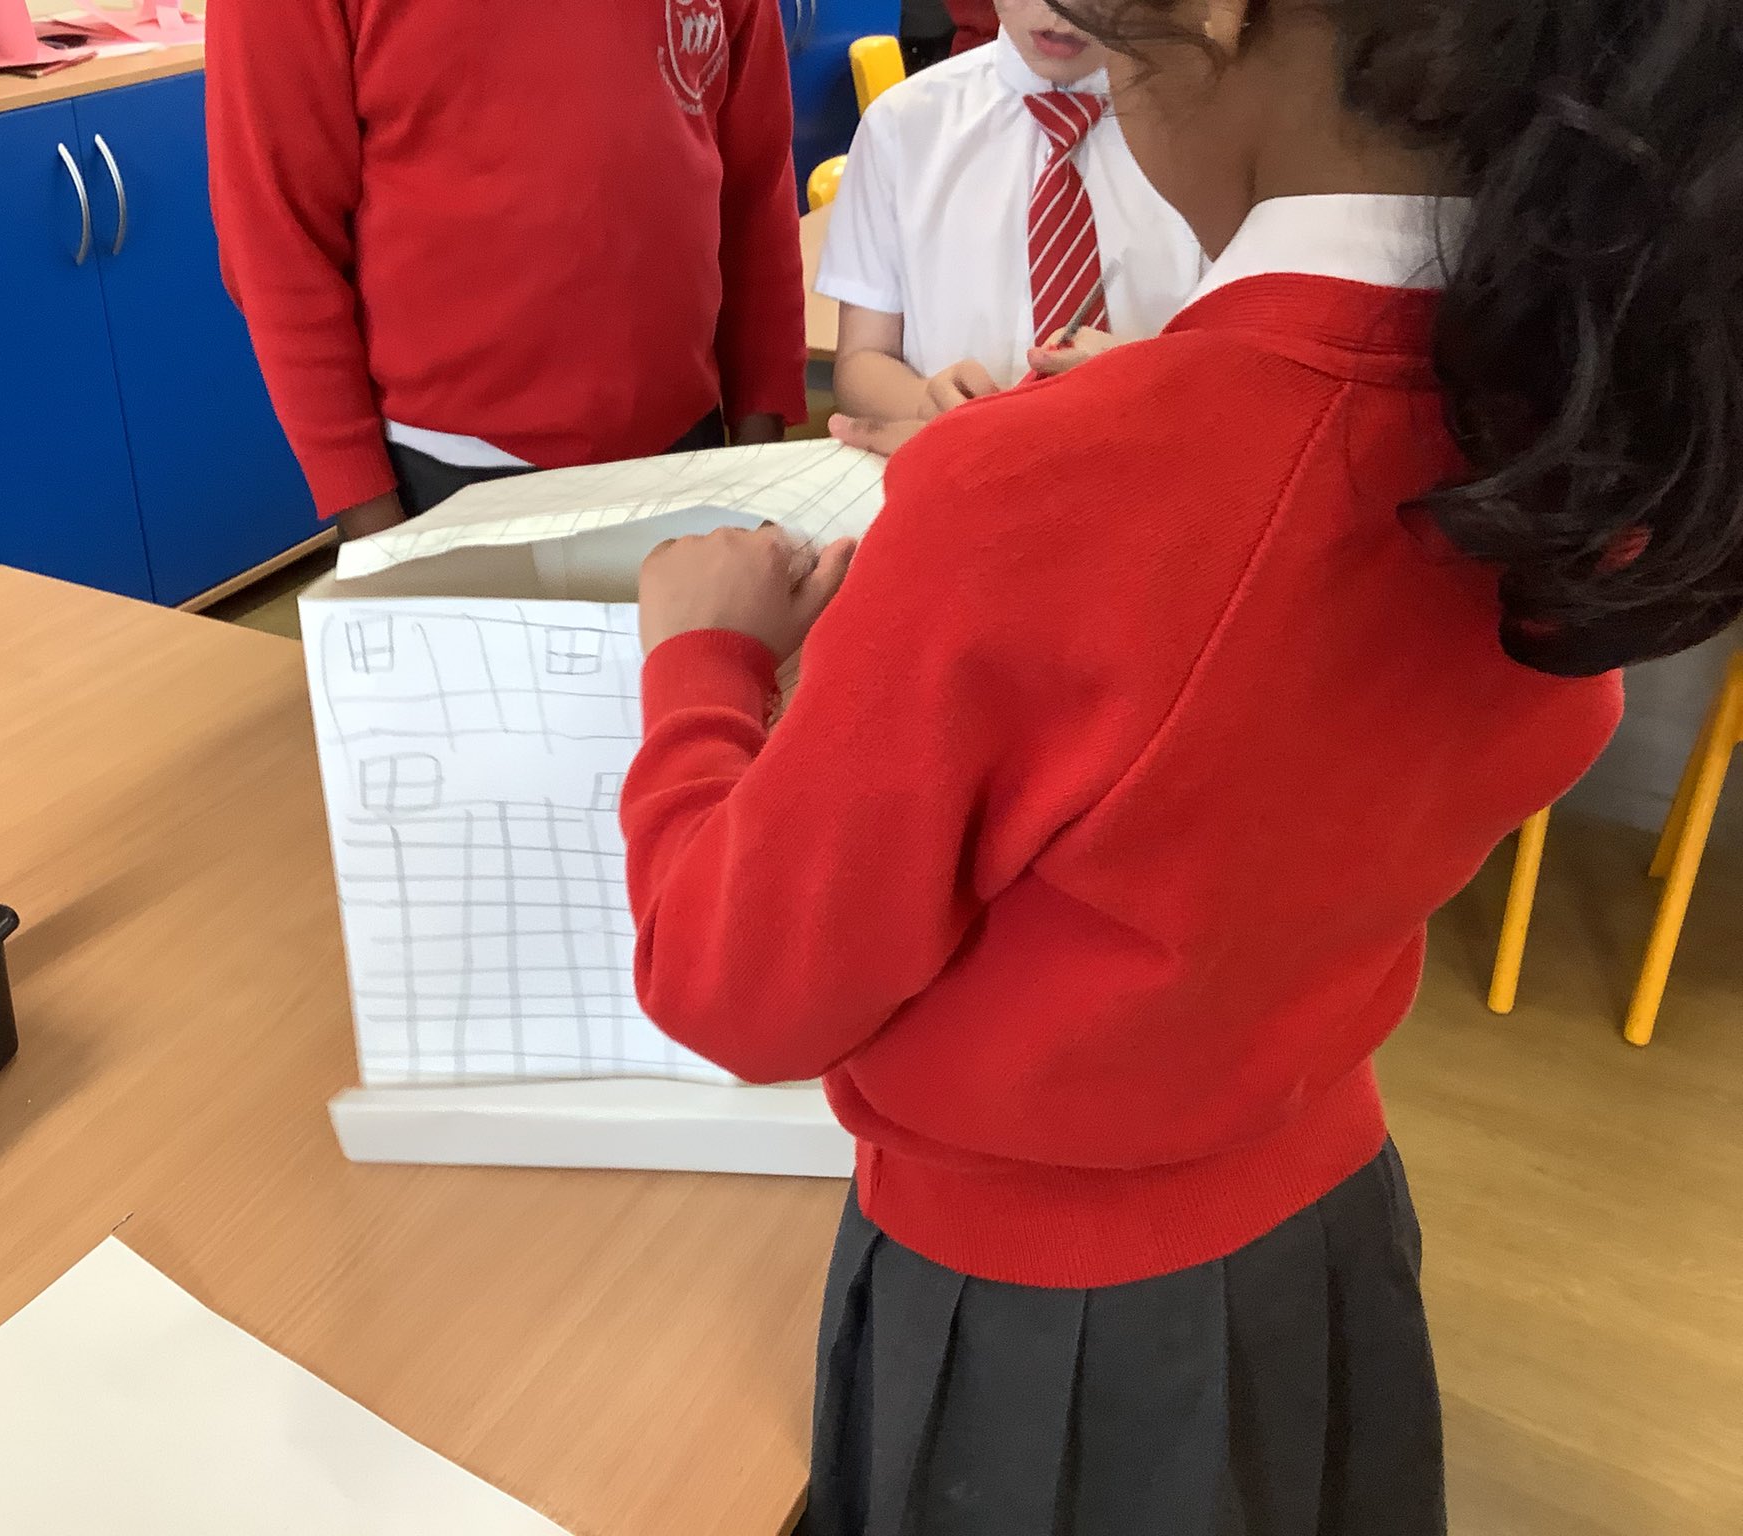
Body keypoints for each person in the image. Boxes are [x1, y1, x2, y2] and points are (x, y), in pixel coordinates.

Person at [623, 0, 1743, 1530]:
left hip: (1034, 1295)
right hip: (1321, 1216)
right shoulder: (1569, 427)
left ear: (1216, 21)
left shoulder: (1026, 497)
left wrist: (704, 666)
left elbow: (735, 986)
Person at [206, 0, 807, 540]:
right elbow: (278, 241)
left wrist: (758, 459)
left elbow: (756, 186)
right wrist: (371, 522)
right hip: (445, 472)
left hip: (687, 443)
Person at [817, 0, 1204, 421]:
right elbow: (864, 358)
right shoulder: (902, 126)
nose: (1061, 10)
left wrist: (1150, 380)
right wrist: (923, 400)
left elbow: (1248, 359)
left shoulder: (1209, 127)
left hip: (1162, 444)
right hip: (956, 453)